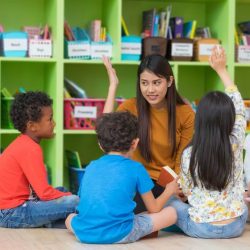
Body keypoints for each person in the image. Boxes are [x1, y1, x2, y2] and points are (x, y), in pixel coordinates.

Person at [167, 46, 248, 238]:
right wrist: (221, 69)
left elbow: (186, 192)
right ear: (229, 118)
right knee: (241, 203)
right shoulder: (235, 141)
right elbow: (239, 106)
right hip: (236, 226)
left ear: (199, 119)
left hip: (201, 228)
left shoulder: (189, 154)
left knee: (171, 204)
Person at [65, 111, 179, 244]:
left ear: (100, 145)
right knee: (171, 213)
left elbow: (82, 202)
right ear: (135, 143)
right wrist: (169, 190)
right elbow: (154, 208)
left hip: (84, 233)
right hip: (120, 234)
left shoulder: (91, 166)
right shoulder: (137, 168)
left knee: (70, 218)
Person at [103, 55, 195, 212]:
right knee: (116, 208)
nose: (150, 90)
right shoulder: (130, 107)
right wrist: (113, 86)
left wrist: (181, 187)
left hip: (168, 185)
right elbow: (105, 135)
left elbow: (183, 159)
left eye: (156, 83)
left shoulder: (185, 113)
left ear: (170, 82)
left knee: (188, 211)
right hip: (137, 183)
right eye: (144, 83)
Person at [0, 91, 79, 228]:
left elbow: (39, 191)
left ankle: (52, 223)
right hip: (13, 213)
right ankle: (59, 222)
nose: (54, 123)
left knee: (61, 190)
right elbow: (44, 193)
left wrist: (63, 193)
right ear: (32, 126)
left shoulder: (23, 143)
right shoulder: (30, 148)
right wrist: (68, 195)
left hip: (14, 208)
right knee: (75, 201)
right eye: (50, 119)